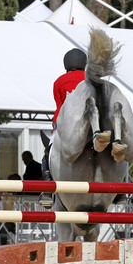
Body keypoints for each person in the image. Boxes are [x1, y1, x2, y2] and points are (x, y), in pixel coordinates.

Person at [42, 48, 88, 181]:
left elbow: (59, 105)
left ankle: (47, 181)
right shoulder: (91, 79)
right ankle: (118, 188)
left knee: (49, 151)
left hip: (65, 122)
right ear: (84, 65)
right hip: (90, 122)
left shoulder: (59, 81)